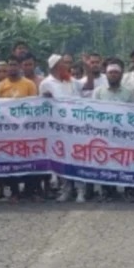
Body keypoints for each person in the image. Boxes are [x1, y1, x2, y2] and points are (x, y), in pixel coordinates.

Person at [41, 54, 88, 203]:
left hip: (76, 127)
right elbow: (42, 106)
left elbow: (88, 85)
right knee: (62, 159)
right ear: (55, 66)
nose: (67, 66)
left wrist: (87, 66)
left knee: (78, 157)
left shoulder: (72, 81)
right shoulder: (46, 83)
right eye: (63, 63)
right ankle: (66, 190)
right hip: (58, 129)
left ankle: (81, 191)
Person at [0, 55, 40, 203]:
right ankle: (14, 192)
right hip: (8, 130)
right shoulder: (1, 86)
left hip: (26, 129)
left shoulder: (29, 84)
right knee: (11, 161)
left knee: (29, 160)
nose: (12, 68)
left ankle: (30, 190)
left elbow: (34, 105)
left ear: (19, 67)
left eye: (15, 65)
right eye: (10, 65)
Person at [94, 59, 134, 203]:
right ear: (106, 74)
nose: (113, 75)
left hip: (124, 134)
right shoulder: (98, 92)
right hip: (105, 134)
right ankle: (108, 191)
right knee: (106, 161)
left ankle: (129, 191)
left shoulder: (129, 92)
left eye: (116, 72)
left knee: (127, 161)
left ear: (121, 75)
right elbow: (92, 112)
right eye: (111, 72)